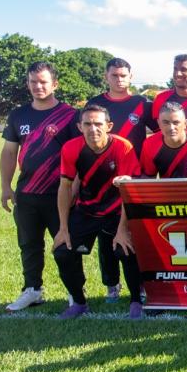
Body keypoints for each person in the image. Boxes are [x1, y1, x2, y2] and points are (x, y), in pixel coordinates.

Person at [0, 62, 79, 311]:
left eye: (43, 81)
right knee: (29, 244)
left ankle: (74, 291)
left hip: (59, 194)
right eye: (33, 82)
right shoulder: (18, 115)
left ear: (55, 84)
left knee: (66, 244)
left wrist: (74, 191)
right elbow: (9, 152)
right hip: (27, 193)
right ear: (28, 84)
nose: (38, 86)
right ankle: (32, 289)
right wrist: (5, 186)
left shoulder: (71, 115)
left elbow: (80, 156)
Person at [52, 105, 143, 318]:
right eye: (87, 124)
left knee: (126, 249)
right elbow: (65, 187)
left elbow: (129, 191)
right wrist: (63, 228)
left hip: (116, 212)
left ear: (109, 126)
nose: (93, 129)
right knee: (62, 252)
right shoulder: (71, 148)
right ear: (79, 127)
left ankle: (136, 301)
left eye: (98, 124)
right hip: (86, 211)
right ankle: (79, 303)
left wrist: (123, 229)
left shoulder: (123, 147)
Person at [86, 57, 153, 303]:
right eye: (114, 75)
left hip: (134, 177)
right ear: (107, 77)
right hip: (101, 179)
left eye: (123, 75)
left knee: (136, 233)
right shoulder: (95, 103)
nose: (119, 79)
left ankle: (142, 285)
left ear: (131, 77)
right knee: (106, 236)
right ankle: (111, 285)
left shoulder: (142, 103)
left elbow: (161, 132)